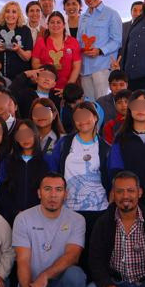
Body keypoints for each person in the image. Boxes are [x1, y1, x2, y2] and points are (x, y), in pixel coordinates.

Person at [12, 173, 87, 287]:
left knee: (76, 275)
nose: (53, 195)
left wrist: (45, 276)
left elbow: (73, 256)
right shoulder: (23, 218)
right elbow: (22, 260)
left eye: (58, 190)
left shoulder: (77, 220)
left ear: (65, 194)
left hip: (60, 286)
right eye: (47, 189)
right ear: (39, 193)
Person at [49, 102, 110, 257]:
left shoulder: (106, 147)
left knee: (94, 252)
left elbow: (112, 177)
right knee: (70, 253)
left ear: (95, 117)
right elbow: (52, 172)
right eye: (78, 117)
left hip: (98, 209)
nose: (82, 120)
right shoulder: (64, 143)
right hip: (69, 208)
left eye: (86, 115)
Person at [0, 119, 51, 225]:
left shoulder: (46, 161)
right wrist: (15, 212)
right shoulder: (7, 161)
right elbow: (2, 191)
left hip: (39, 218)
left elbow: (49, 190)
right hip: (13, 219)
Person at [77, 0, 123, 101]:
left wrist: (100, 50)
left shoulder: (112, 14)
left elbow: (117, 41)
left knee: (103, 103)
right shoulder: (82, 17)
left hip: (102, 68)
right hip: (85, 69)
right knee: (89, 105)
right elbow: (79, 41)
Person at [31, 11, 82, 92]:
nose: (55, 25)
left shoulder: (73, 42)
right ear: (47, 25)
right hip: (45, 88)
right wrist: (49, 67)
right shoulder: (41, 42)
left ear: (64, 25)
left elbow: (77, 67)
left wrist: (68, 88)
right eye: (52, 22)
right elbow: (34, 64)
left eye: (58, 22)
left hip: (66, 88)